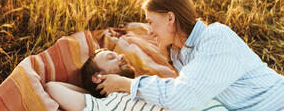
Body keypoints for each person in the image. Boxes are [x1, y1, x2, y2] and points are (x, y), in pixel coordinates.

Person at [97, 0, 284, 111]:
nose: (150, 31)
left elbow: (182, 96)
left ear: (170, 18)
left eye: (151, 22)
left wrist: (125, 84)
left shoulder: (216, 38)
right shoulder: (180, 55)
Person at [44, 49, 227, 111]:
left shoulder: (146, 83)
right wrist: (98, 93)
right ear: (97, 77)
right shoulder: (104, 106)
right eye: (110, 58)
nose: (121, 56)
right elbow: (52, 86)